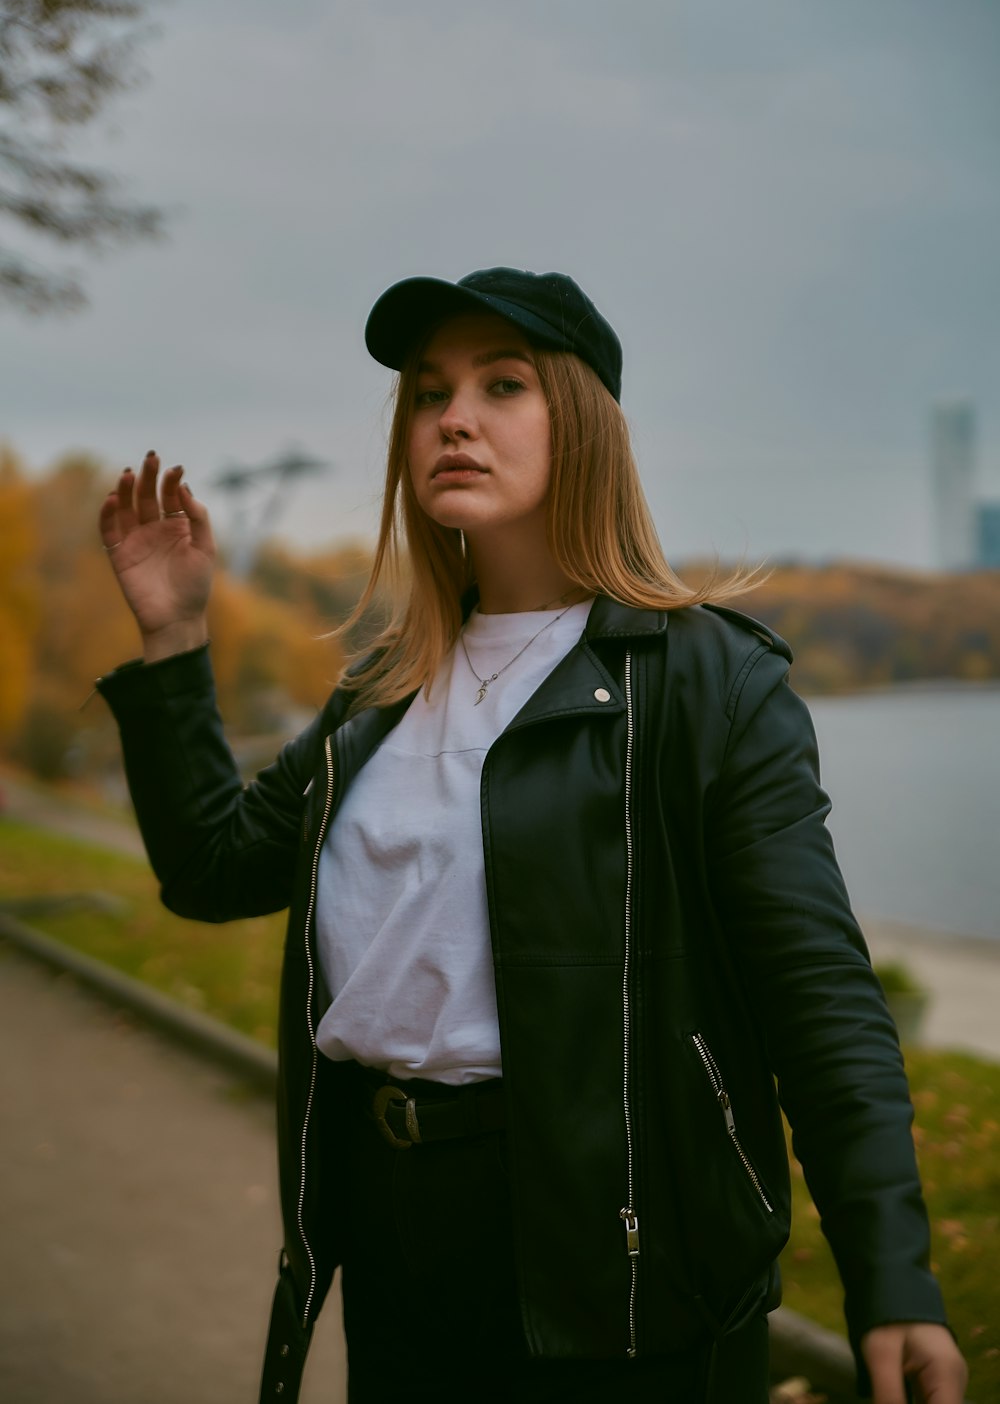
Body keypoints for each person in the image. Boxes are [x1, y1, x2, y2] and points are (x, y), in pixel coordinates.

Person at [96, 268, 967, 1404]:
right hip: (395, 1241)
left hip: (627, 1267)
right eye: (426, 393)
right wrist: (174, 638)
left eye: (501, 385)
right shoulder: (380, 697)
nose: (451, 417)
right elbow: (212, 871)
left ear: (585, 425)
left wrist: (891, 1277)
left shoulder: (706, 684)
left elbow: (818, 1001)